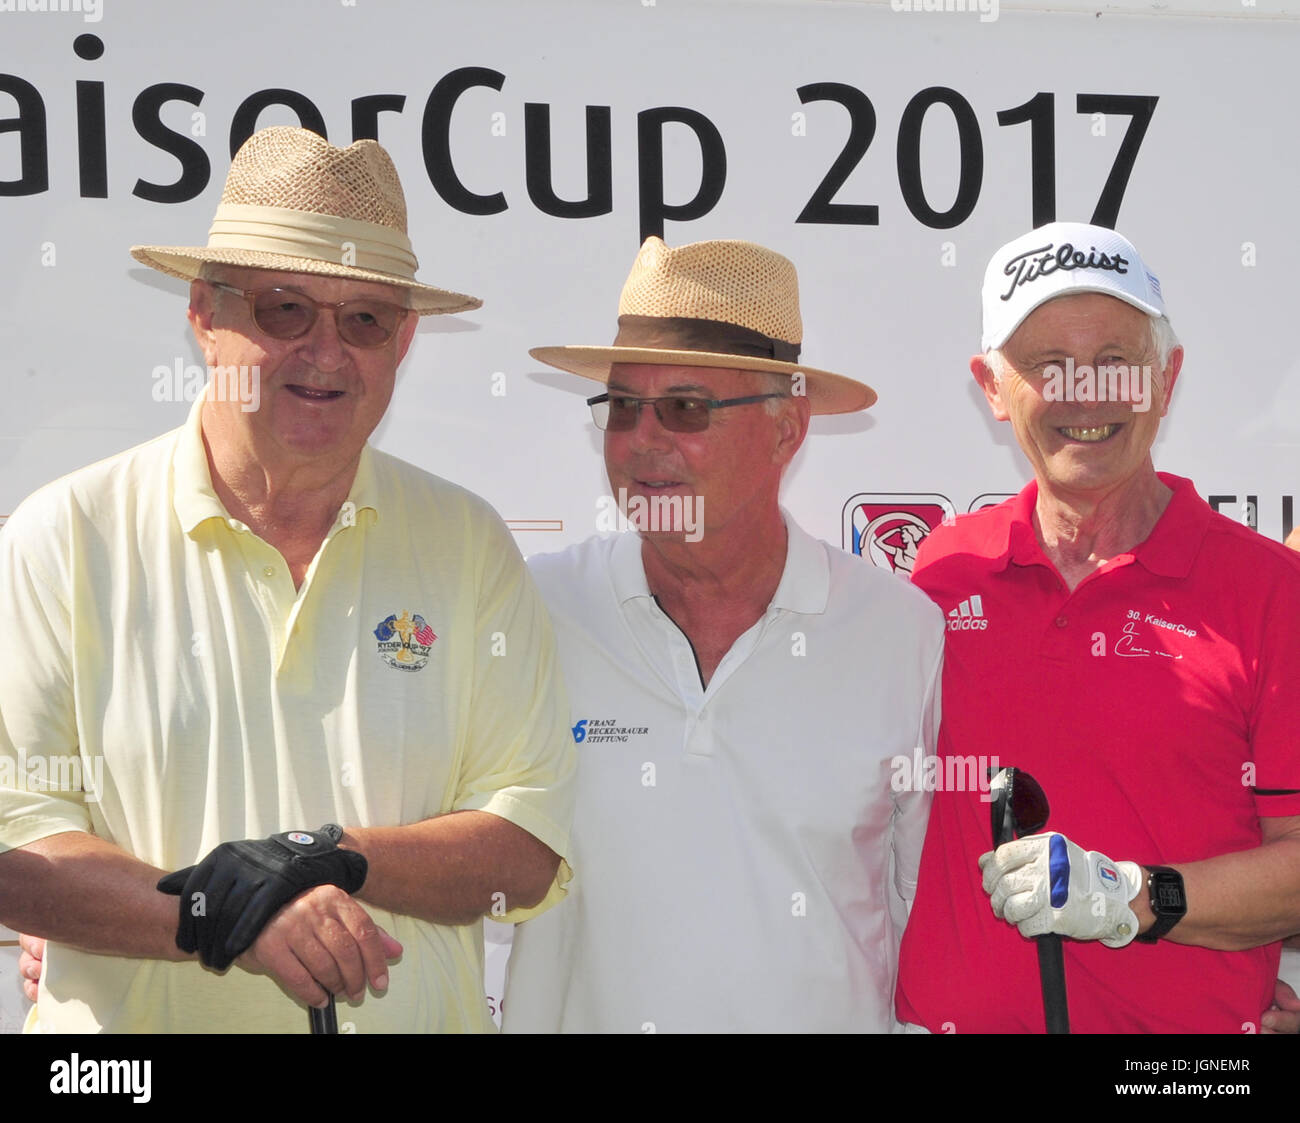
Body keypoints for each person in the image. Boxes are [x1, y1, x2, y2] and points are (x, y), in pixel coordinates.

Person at [0, 127, 575, 1033]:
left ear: (405, 339)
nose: (326, 348)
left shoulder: (469, 545)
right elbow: (16, 853)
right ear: (202, 311)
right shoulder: (61, 537)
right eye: (284, 309)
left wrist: (325, 856)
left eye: (365, 319)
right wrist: (229, 912)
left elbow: (525, 852)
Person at [500, 235, 945, 1032]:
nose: (642, 440)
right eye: (622, 406)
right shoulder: (536, 608)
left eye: (686, 407)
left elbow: (920, 924)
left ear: (787, 428)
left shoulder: (900, 632)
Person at [895, 221, 1300, 1033]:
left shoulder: (1270, 590)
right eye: (1048, 364)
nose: (1085, 394)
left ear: (1167, 377)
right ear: (991, 385)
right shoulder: (941, 573)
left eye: (1115, 362)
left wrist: (1132, 897)